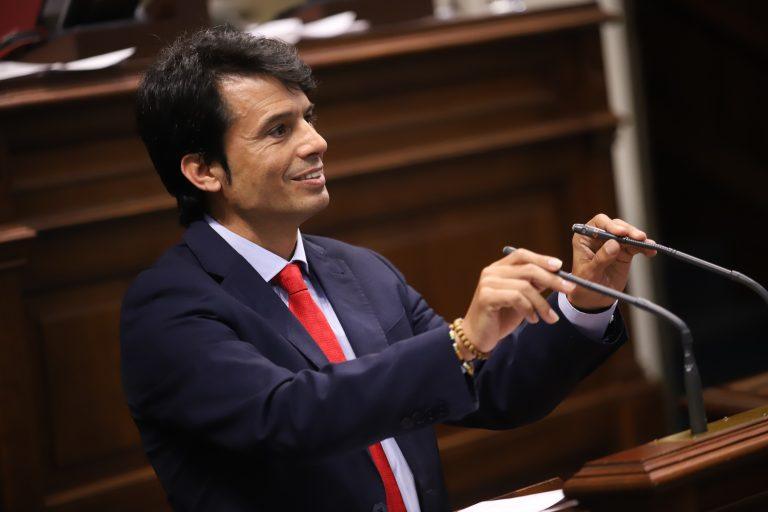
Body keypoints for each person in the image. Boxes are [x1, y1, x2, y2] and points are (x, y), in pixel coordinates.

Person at [121, 26, 655, 512]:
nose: (315, 141)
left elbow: (492, 390)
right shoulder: (168, 308)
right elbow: (289, 418)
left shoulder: (360, 270)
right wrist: (464, 339)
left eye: (308, 117)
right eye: (279, 130)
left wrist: (586, 301)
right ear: (203, 170)